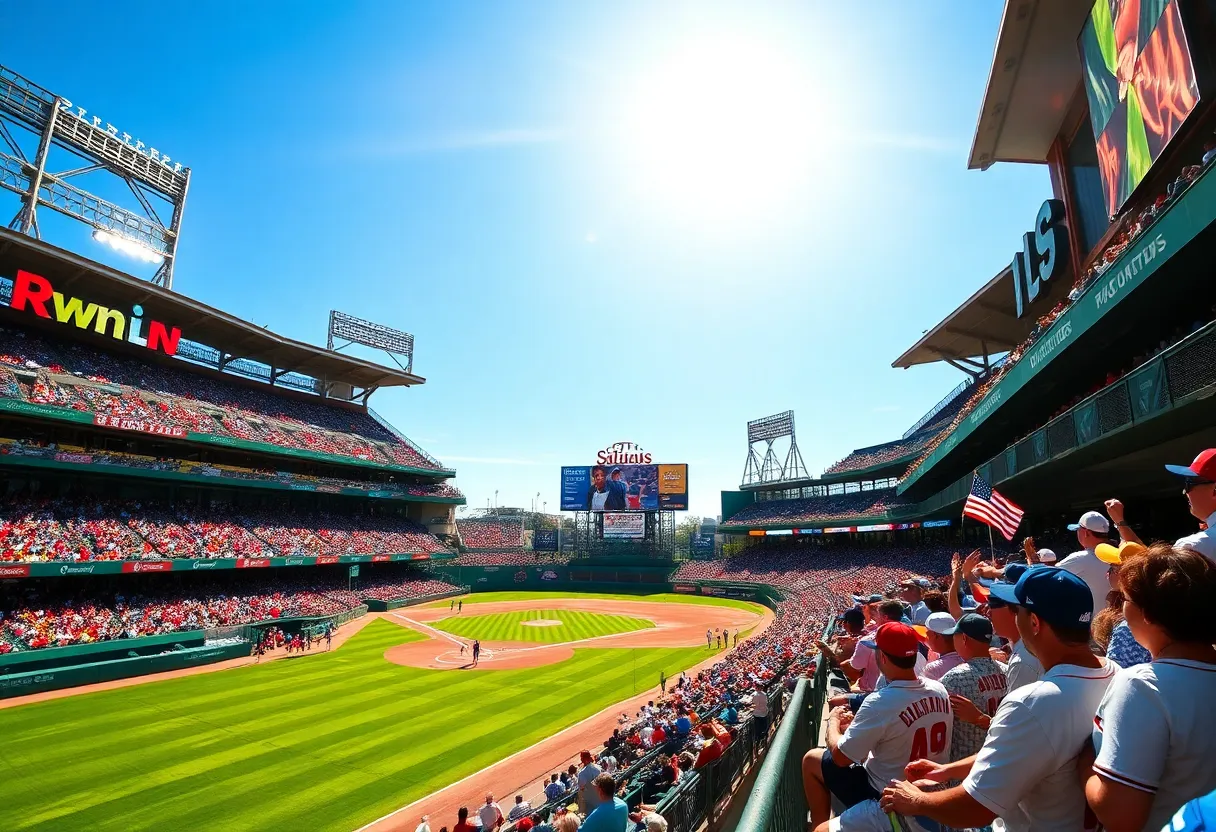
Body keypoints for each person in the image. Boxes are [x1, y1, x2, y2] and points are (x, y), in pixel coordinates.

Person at [879, 566, 1117, 832]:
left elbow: (975, 809)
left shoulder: (1032, 703)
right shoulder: (1117, 674)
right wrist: (946, 771)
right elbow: (1020, 750)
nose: (1014, 619)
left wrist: (917, 800)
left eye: (1017, 612)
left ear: (1035, 623)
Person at [1085, 544, 1216, 832]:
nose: (1121, 607)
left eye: (1126, 598)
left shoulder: (1141, 685)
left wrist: (1085, 766)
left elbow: (1120, 816)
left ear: (1148, 613)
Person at [802, 622, 953, 832]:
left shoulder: (880, 701)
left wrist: (834, 723)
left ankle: (819, 826)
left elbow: (840, 758)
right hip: (931, 787)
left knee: (811, 759)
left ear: (882, 656)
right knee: (816, 760)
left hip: (888, 794)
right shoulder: (939, 689)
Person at [1108, 449, 1216, 561]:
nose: (1185, 491)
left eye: (1189, 484)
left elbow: (1147, 569)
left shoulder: (1193, 547)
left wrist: (1119, 522)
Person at [939, 613, 1008, 765]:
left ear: (964, 638)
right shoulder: (1007, 670)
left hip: (966, 764)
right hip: (1002, 757)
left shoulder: (955, 677)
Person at [1093, 541, 1152, 668]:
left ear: (1126, 574)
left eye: (1112, 568)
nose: (1107, 574)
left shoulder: (1128, 629)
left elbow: (1116, 676)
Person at [987, 563, 1043, 691]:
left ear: (1016, 609)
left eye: (993, 603)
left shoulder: (1023, 661)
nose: (988, 612)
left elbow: (1022, 711)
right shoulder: (1031, 648)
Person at [1057, 510, 1115, 613]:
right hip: (1121, 624)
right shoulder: (1120, 553)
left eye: (1078, 530)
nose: (1077, 533)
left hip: (1093, 625)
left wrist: (1033, 561)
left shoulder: (1080, 558)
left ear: (1086, 533)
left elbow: (1045, 576)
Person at [918, 612, 962, 681]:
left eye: (927, 633)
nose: (926, 637)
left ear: (937, 636)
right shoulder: (967, 657)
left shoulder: (933, 669)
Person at [577, 750, 603, 814]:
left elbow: (581, 788)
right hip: (601, 797)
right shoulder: (598, 768)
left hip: (590, 802)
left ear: (583, 759)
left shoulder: (582, 773)